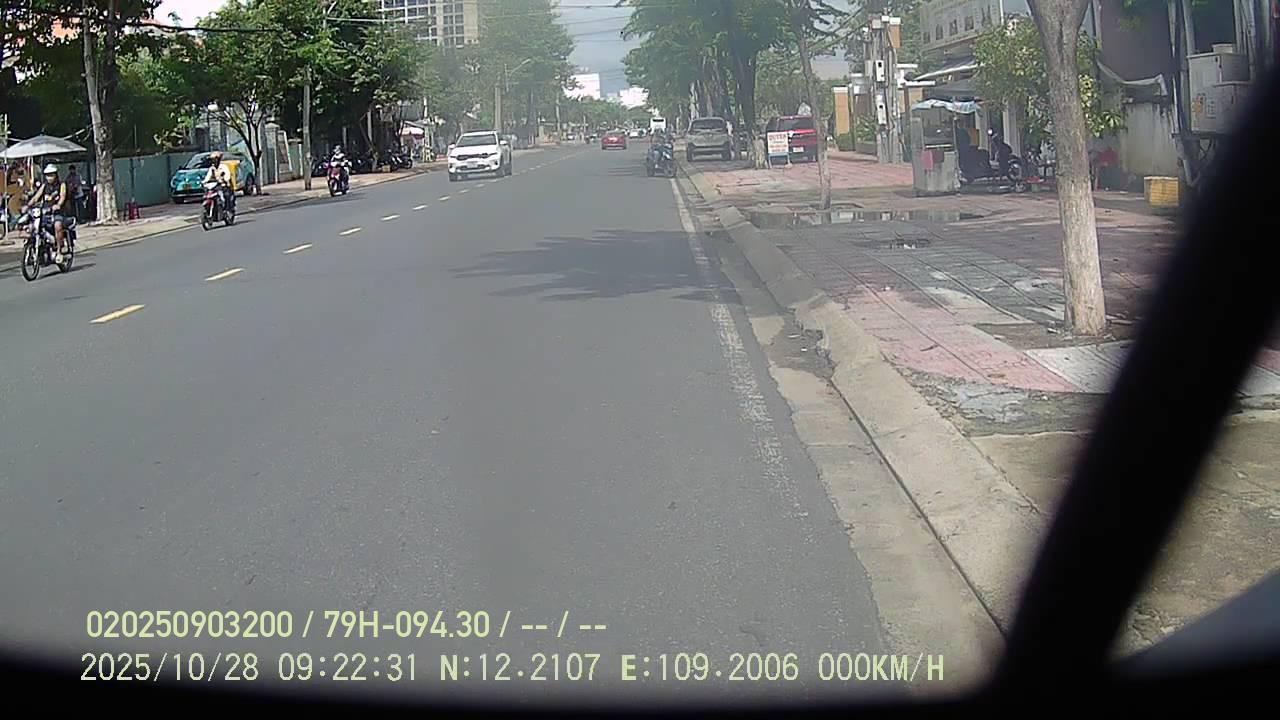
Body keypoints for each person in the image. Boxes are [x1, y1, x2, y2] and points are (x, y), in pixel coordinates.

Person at [32, 164, 70, 261]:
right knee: (32, 227)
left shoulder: (61, 185)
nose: (49, 177)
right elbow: (36, 197)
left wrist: (58, 205)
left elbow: (62, 196)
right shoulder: (44, 186)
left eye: (51, 175)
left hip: (58, 213)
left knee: (57, 226)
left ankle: (59, 251)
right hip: (45, 213)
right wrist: (28, 205)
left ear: (56, 175)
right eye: (47, 175)